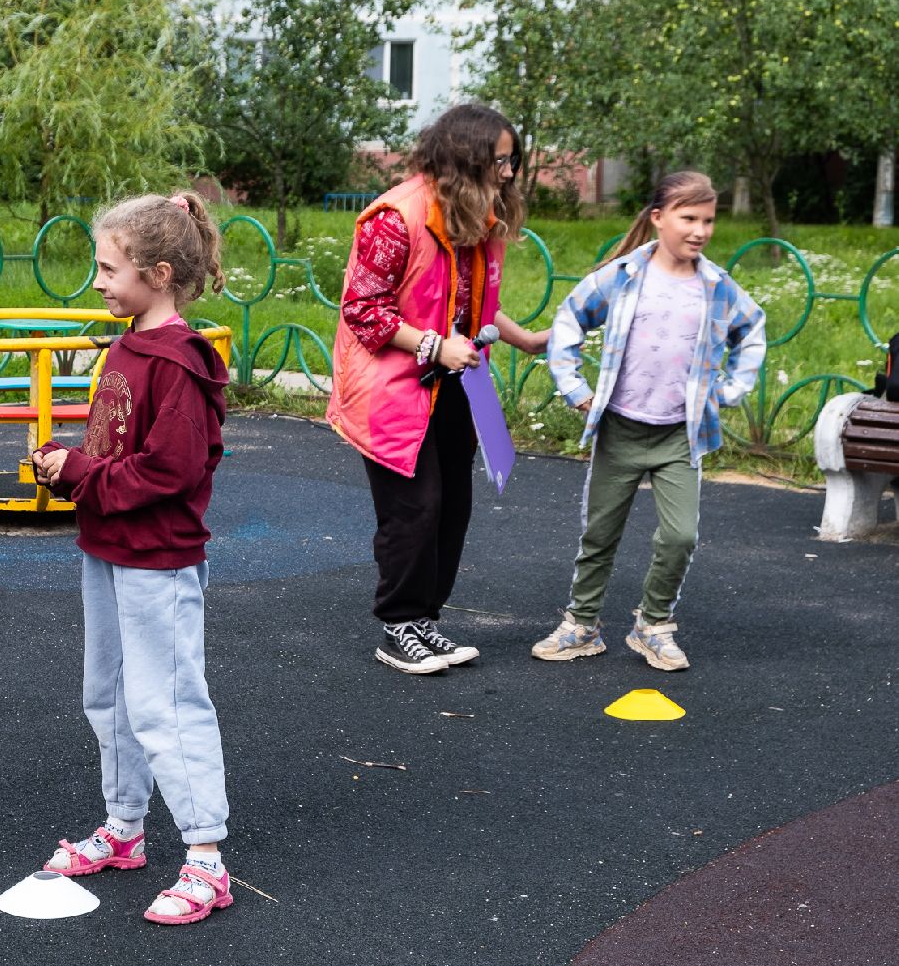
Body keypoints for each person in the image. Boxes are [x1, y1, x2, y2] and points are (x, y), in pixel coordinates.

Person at [29, 191, 233, 925]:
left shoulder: (179, 361)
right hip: (110, 546)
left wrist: (79, 474)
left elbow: (169, 471)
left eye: (110, 268)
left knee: (167, 704)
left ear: (161, 272)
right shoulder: (128, 346)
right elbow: (121, 445)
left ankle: (207, 861)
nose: (98, 280)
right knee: (110, 695)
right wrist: (71, 461)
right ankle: (124, 831)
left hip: (157, 559)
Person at [327, 104, 547, 676]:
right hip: (393, 387)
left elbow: (476, 306)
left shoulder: (475, 214)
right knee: (415, 509)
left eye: (512, 160)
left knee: (452, 506)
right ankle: (400, 624)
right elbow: (362, 311)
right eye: (499, 160)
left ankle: (425, 621)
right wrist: (433, 346)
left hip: (455, 383)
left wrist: (527, 341)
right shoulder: (397, 217)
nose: (508, 172)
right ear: (465, 158)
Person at [532, 171, 764, 671]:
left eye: (708, 220)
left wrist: (729, 391)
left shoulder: (717, 286)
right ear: (658, 219)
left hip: (679, 435)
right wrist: (574, 389)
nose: (700, 230)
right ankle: (582, 624)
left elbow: (754, 330)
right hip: (620, 427)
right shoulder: (623, 276)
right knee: (599, 534)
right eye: (689, 218)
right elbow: (569, 321)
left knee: (681, 536)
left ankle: (652, 625)